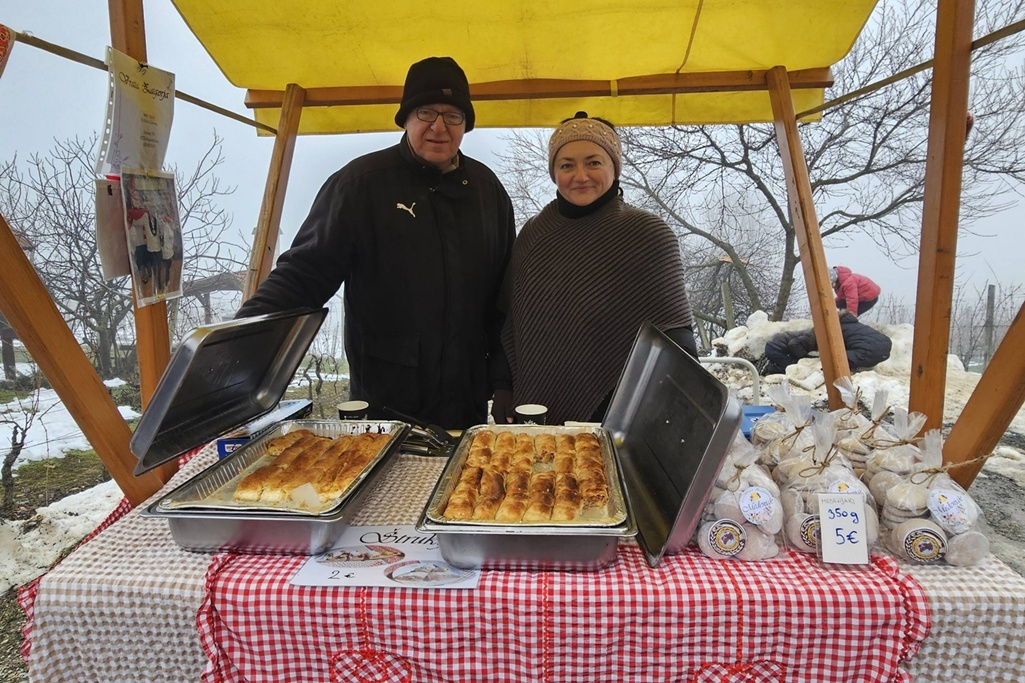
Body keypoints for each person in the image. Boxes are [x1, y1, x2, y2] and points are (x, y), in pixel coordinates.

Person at [236, 56, 516, 430]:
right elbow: (303, 276)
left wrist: (503, 380)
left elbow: (504, 301)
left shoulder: (487, 192)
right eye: (426, 112)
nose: (439, 127)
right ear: (406, 118)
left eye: (453, 116)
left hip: (465, 402)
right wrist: (240, 347)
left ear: (465, 125)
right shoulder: (361, 185)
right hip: (385, 402)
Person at [492, 112, 697, 425]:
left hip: (623, 408)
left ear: (614, 168)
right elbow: (511, 319)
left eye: (593, 162)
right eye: (566, 165)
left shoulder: (647, 233)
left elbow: (675, 332)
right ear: (554, 173)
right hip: (535, 407)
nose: (580, 176)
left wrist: (685, 405)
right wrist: (502, 385)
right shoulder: (534, 233)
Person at [761, 313, 892, 375]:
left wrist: (804, 357)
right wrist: (803, 357)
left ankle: (771, 368)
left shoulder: (830, 330)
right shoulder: (850, 326)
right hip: (886, 348)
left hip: (868, 349)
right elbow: (794, 344)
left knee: (835, 362)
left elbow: (795, 344)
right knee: (790, 366)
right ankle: (770, 368)